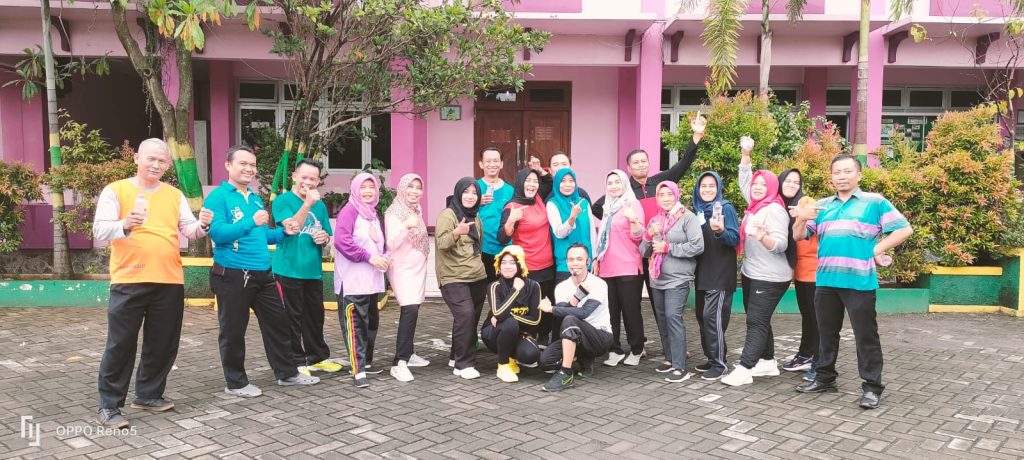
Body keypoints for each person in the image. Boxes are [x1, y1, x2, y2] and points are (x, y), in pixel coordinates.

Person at [92, 138, 213, 428]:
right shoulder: (116, 190)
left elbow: (189, 230)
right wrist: (125, 224)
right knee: (121, 344)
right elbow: (99, 229)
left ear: (168, 165)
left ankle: (148, 394)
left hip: (169, 279)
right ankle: (109, 406)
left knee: (162, 343)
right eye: (151, 159)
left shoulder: (173, 194)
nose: (156, 165)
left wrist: (203, 224)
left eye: (162, 161)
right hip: (129, 279)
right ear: (137, 158)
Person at [794, 154, 912, 409]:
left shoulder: (874, 202)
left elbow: (904, 229)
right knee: (826, 334)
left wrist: (877, 249)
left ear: (859, 175)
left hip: (859, 282)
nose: (841, 177)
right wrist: (801, 217)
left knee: (865, 336)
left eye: (847, 171)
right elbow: (799, 236)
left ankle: (872, 387)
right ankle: (825, 378)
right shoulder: (822, 205)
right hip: (826, 280)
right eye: (836, 172)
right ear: (831, 176)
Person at [204, 144, 319, 399]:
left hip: (263, 272)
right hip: (233, 273)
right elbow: (217, 234)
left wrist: (284, 232)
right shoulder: (218, 197)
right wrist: (250, 222)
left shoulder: (255, 198)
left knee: (278, 323)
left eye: (252, 165)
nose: (249, 169)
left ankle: (287, 373)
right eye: (243, 163)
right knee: (233, 331)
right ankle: (235, 383)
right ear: (228, 165)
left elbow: (263, 235)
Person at [721, 140, 793, 387]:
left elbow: (781, 244)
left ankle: (745, 368)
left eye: (764, 184)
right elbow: (744, 180)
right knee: (759, 318)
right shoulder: (756, 206)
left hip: (770, 276)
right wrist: (745, 154)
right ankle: (768, 361)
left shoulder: (774, 210)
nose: (758, 187)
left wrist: (763, 238)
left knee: (756, 321)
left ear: (772, 188)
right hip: (752, 273)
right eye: (756, 184)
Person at [271, 159, 341, 378]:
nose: (308, 182)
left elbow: (326, 235)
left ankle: (317, 357)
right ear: (294, 177)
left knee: (314, 316)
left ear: (318, 181)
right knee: (291, 317)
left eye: (313, 179)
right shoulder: (281, 201)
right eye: (304, 177)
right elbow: (292, 227)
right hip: (287, 269)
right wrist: (307, 204)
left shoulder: (320, 205)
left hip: (312, 270)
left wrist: (323, 238)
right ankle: (296, 361)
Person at [638, 181, 704, 383]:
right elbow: (643, 251)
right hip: (657, 278)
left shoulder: (688, 217)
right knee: (662, 318)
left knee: (673, 317)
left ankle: (680, 366)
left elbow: (698, 246)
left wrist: (669, 248)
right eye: (661, 195)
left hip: (678, 278)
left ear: (676, 195)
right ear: (657, 198)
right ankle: (670, 357)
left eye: (669, 194)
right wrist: (648, 236)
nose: (665, 198)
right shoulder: (655, 220)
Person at [333, 172, 390, 388]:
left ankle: (365, 362)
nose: (368, 191)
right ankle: (357, 370)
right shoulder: (350, 211)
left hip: (372, 281)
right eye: (363, 187)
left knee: (370, 324)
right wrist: (369, 257)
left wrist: (385, 255)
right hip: (353, 282)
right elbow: (342, 241)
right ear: (355, 190)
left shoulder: (372, 214)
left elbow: (379, 243)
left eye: (371, 187)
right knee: (355, 326)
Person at [538, 243, 613, 392]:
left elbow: (584, 313)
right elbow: (562, 315)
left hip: (599, 336)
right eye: (571, 259)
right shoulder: (562, 286)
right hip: (572, 334)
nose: (575, 263)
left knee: (570, 319)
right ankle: (582, 358)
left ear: (588, 261)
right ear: (566, 262)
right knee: (545, 362)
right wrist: (576, 297)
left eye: (579, 259)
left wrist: (551, 309)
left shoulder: (598, 284)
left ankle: (566, 374)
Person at [436, 177, 488, 380]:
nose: (470, 196)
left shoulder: (476, 217)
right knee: (465, 315)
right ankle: (463, 364)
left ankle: (455, 356)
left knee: (469, 320)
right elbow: (441, 243)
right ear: (458, 193)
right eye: (466, 192)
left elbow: (478, 245)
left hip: (477, 276)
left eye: (474, 193)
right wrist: (456, 233)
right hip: (453, 277)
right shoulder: (448, 215)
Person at [499, 168, 557, 346]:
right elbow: (502, 237)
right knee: (530, 307)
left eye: (535, 181)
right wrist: (511, 220)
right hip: (527, 268)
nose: (532, 184)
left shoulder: (538, 198)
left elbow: (550, 182)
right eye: (528, 180)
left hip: (547, 265)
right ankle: (526, 342)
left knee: (546, 304)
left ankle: (544, 339)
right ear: (520, 183)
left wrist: (540, 171)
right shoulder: (512, 207)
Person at [594, 169, 646, 367]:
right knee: (610, 312)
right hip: (607, 266)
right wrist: (596, 258)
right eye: (610, 183)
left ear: (624, 184)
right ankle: (614, 349)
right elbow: (602, 236)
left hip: (628, 267)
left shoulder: (633, 204)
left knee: (631, 312)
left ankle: (637, 349)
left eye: (617, 182)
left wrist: (633, 219)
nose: (614, 186)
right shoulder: (607, 207)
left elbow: (639, 236)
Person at [691, 171, 740, 381]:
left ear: (718, 187)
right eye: (703, 186)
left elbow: (735, 238)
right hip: (702, 272)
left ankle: (720, 363)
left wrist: (720, 231)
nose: (708, 189)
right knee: (702, 316)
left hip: (720, 273)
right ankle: (712, 358)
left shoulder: (725, 208)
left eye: (712, 186)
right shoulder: (697, 211)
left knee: (713, 318)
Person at [384, 173, 432, 382]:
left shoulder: (416, 209)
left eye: (418, 187)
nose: (414, 191)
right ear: (402, 188)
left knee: (414, 308)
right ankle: (399, 363)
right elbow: (391, 243)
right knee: (409, 310)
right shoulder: (394, 212)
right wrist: (406, 226)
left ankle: (409, 354)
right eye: (410, 187)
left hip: (417, 267)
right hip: (402, 269)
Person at [775, 168, 821, 379]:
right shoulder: (779, 205)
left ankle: (818, 362)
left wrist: (802, 216)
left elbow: (811, 227)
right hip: (800, 270)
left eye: (796, 182)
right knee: (808, 316)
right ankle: (805, 355)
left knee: (815, 318)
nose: (792, 185)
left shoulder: (805, 202)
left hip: (813, 270)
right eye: (788, 181)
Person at [480, 245, 545, 382]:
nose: (507, 266)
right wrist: (515, 290)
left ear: (520, 264)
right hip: (493, 332)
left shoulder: (534, 286)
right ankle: (503, 366)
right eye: (503, 262)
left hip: (521, 333)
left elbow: (535, 320)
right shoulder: (494, 286)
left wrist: (509, 316)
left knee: (530, 355)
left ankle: (512, 358)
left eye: (512, 262)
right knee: (509, 323)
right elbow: (499, 313)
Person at [546, 167, 595, 283]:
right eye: (563, 181)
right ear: (557, 183)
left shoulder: (584, 202)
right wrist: (572, 218)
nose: (567, 185)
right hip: (565, 265)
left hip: (586, 263)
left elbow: (592, 233)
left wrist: (594, 259)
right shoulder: (552, 204)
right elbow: (559, 233)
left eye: (571, 180)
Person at [477, 147, 515, 281]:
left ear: (501, 164)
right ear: (481, 164)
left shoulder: (510, 190)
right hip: (481, 247)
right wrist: (476, 202)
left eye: (496, 161)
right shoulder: (474, 188)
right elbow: (462, 211)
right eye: (488, 161)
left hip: (505, 248)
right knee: (483, 287)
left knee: (503, 287)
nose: (492, 164)